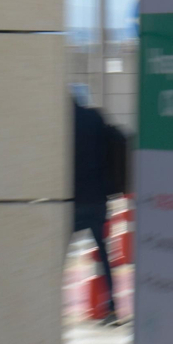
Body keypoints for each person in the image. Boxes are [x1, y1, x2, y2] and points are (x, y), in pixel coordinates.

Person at [71, 88, 128, 326]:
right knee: (105, 254)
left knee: (57, 257)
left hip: (72, 200)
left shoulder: (64, 125)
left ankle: (46, 309)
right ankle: (112, 308)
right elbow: (116, 140)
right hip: (97, 198)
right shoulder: (95, 118)